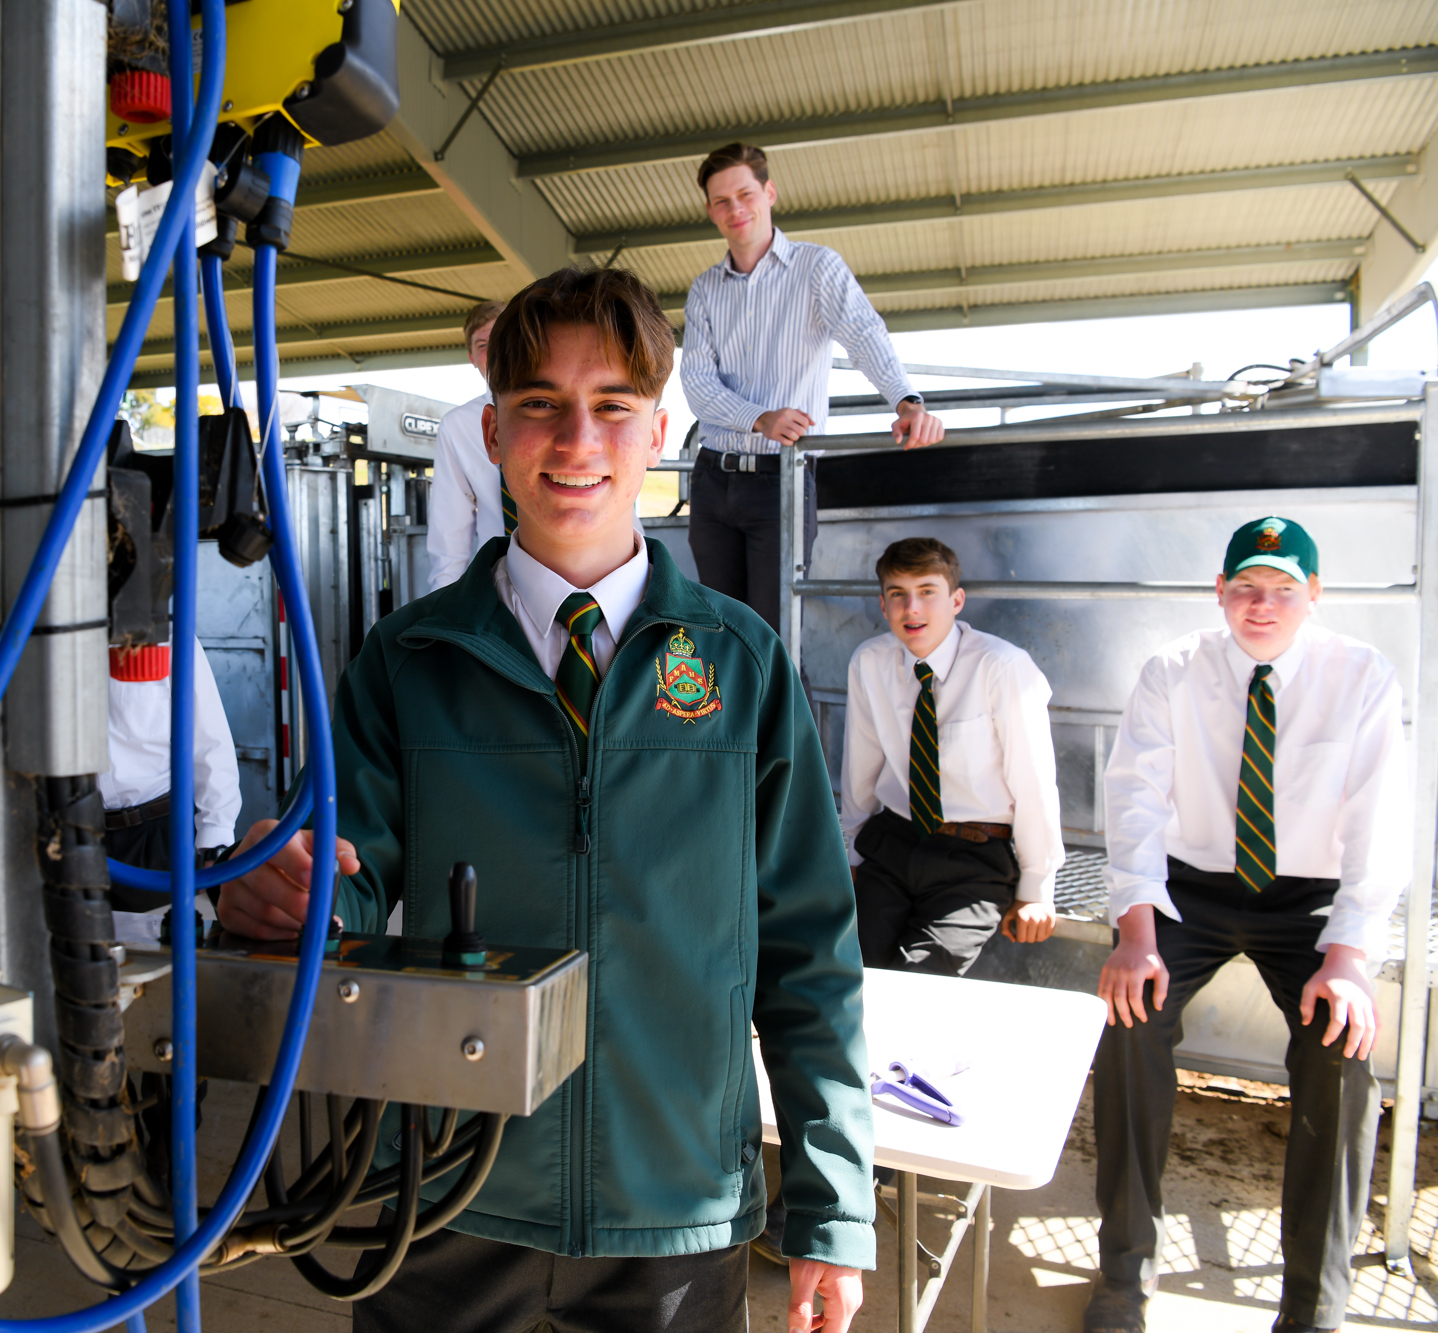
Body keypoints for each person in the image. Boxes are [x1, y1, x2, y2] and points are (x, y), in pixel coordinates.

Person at [218, 266, 874, 1333]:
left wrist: (830, 1206)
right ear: (490, 432)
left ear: (657, 430)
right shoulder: (408, 660)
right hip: (441, 1197)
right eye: (540, 405)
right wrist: (284, 896)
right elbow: (346, 871)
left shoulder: (740, 665)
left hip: (674, 1210)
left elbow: (808, 952)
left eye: (612, 405)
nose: (577, 440)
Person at [1088, 517, 1408, 1333]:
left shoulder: (1362, 675)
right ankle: (1126, 1271)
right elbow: (1134, 801)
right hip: (1191, 888)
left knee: (1341, 1043)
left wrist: (1349, 951)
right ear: (1220, 592)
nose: (1261, 607)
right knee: (1131, 1016)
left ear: (1314, 596)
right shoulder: (1173, 671)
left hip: (1308, 897)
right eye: (1245, 588)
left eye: (1282, 591)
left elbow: (1382, 819)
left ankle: (1313, 1302)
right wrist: (1135, 928)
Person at [680, 140, 944, 638]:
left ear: (769, 192)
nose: (735, 209)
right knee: (718, 632)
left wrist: (906, 401)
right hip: (713, 479)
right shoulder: (705, 289)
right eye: (721, 201)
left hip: (780, 482)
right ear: (710, 211)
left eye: (744, 194)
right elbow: (694, 380)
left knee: (774, 636)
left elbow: (864, 335)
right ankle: (728, 720)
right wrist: (759, 417)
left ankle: (784, 720)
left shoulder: (817, 268)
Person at [841, 537, 1062, 974]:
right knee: (853, 971)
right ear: (883, 606)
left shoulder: (1003, 668)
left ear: (956, 599)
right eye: (897, 595)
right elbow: (859, 771)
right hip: (894, 842)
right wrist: (851, 856)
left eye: (927, 591)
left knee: (922, 976)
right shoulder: (870, 662)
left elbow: (1033, 782)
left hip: (973, 856)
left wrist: (1037, 886)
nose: (912, 609)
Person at [98, 637, 243, 912]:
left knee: (157, 948)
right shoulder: (51, 642)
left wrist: (215, 843)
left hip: (154, 836)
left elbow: (210, 744)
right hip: (72, 832)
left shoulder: (171, 640)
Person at [425, 299, 508, 593]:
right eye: (483, 344)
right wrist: (443, 610)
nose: (495, 351)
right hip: (504, 584)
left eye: (503, 339)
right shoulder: (458, 427)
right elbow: (450, 533)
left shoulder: (562, 402)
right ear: (472, 356)